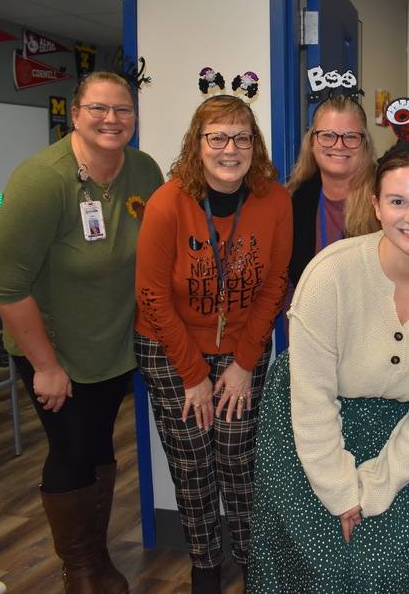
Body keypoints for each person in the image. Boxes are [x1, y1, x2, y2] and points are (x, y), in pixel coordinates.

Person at [248, 142, 409, 593]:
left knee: (383, 572)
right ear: (376, 207)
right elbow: (311, 397)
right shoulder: (330, 275)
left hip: (403, 438)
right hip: (306, 428)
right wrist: (340, 489)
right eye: (398, 201)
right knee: (313, 571)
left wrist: (376, 487)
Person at [0, 71, 164, 594]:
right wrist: (45, 365)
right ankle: (79, 571)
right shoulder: (42, 179)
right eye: (98, 108)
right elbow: (7, 285)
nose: (112, 119)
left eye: (123, 110)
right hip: (55, 348)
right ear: (75, 113)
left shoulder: (143, 169)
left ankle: (99, 558)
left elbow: (158, 248)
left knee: (99, 447)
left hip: (111, 345)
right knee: (70, 450)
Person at [134, 95, 292, 593]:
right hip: (169, 348)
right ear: (196, 144)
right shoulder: (168, 202)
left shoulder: (276, 200)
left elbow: (274, 286)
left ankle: (251, 561)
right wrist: (193, 375)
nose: (230, 149)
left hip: (243, 348)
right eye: (217, 137)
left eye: (241, 137)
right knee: (192, 466)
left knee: (240, 462)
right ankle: (205, 564)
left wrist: (244, 363)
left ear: (255, 145)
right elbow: (153, 297)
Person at [285, 95, 380, 301]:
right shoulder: (294, 200)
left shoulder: (386, 200)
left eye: (351, 136)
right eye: (328, 135)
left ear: (365, 144)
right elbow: (290, 283)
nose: (338, 145)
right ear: (312, 142)